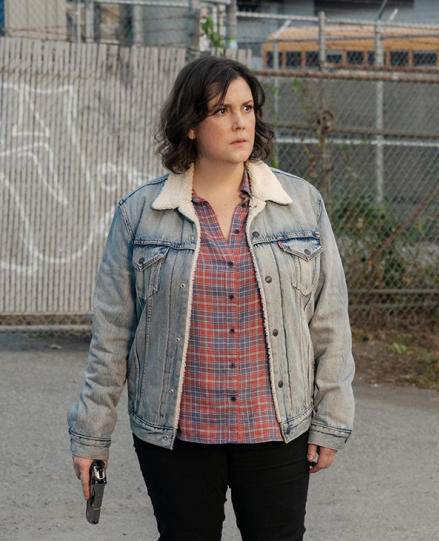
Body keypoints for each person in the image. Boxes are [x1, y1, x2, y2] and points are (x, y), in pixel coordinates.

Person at [68, 55, 355, 540]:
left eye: (247, 107)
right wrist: (92, 434)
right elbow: (113, 333)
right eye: (222, 110)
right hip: (177, 437)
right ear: (191, 126)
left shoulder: (301, 205)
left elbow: (329, 321)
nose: (240, 121)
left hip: (275, 430)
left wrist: (332, 418)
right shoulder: (141, 215)